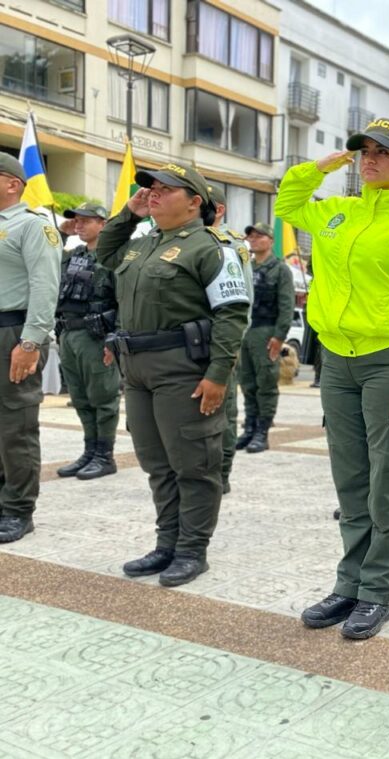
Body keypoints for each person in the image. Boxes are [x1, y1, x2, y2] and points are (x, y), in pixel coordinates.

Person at [276, 118, 389, 640]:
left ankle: (377, 591)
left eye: (385, 152)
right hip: (337, 360)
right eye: (365, 151)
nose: (371, 159)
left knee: (388, 480)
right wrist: (323, 166)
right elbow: (288, 204)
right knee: (350, 479)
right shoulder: (337, 213)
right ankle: (348, 583)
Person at [96, 164, 250, 586]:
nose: (154, 194)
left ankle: (191, 550)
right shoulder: (143, 243)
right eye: (151, 189)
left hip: (183, 368)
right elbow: (104, 254)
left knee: (193, 464)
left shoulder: (210, 247)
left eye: (166, 189)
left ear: (195, 202)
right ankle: (167, 543)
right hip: (139, 368)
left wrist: (218, 375)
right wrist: (129, 212)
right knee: (157, 464)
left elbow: (232, 315)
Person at [0, 155, 61, 543]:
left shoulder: (32, 225)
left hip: (12, 332)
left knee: (16, 426)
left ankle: (19, 509)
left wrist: (30, 341)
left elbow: (45, 285)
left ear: (11, 184)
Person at [54, 203, 121, 481]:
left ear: (103, 224)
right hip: (69, 333)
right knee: (80, 397)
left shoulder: (114, 257)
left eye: (86, 221)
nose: (79, 225)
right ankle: (89, 451)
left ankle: (105, 456)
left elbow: (124, 301)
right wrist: (62, 233)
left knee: (103, 398)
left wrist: (114, 341)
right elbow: (45, 260)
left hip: (97, 336)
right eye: (76, 221)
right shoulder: (74, 255)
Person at [207, 184, 253, 494]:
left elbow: (241, 298)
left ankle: (221, 474)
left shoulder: (232, 244)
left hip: (218, 340)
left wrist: (232, 344)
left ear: (218, 209)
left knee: (224, 413)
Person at [234, 222, 294, 454]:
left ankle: (262, 431)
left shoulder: (279, 269)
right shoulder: (245, 266)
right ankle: (249, 428)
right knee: (247, 382)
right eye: (251, 236)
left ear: (270, 240)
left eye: (260, 236)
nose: (254, 240)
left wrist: (279, 336)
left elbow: (286, 305)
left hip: (266, 331)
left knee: (266, 383)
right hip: (246, 330)